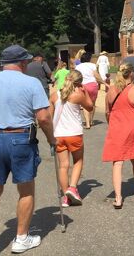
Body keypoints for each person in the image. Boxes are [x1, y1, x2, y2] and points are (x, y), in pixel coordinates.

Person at [0, 44, 55, 255]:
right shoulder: (32, 83)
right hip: (20, 137)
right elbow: (44, 117)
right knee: (25, 189)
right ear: (22, 62)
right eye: (26, 61)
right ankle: (21, 238)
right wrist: (51, 139)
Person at [102, 62, 134, 209]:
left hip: (116, 128)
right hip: (132, 128)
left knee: (117, 162)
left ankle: (118, 198)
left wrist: (111, 124)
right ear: (131, 74)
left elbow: (107, 111)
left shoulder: (111, 90)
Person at [49, 70, 93, 207]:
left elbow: (49, 117)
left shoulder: (54, 96)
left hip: (59, 134)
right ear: (79, 83)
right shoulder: (78, 95)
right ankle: (72, 188)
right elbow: (90, 107)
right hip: (74, 133)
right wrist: (85, 92)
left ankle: (65, 196)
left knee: (63, 165)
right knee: (78, 161)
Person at [75, 52, 104, 129]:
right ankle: (91, 120)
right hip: (93, 85)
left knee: (85, 105)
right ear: (89, 58)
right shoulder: (93, 65)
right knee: (93, 104)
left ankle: (87, 123)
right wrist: (103, 82)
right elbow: (96, 76)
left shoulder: (78, 67)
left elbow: (76, 77)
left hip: (83, 86)